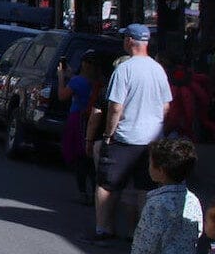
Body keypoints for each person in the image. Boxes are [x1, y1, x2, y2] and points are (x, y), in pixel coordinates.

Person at [86, 24, 174, 246]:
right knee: (145, 188)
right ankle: (139, 234)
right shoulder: (158, 69)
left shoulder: (124, 70)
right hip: (152, 140)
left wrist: (108, 134)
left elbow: (115, 107)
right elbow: (165, 106)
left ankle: (103, 229)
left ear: (128, 41)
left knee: (107, 185)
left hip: (124, 138)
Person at [130, 137, 201, 254]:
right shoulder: (193, 200)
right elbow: (197, 231)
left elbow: (145, 242)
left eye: (150, 164)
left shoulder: (156, 204)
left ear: (161, 171)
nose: (149, 167)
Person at [59, 53, 101, 204]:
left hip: (77, 117)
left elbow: (62, 96)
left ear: (84, 64)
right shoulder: (98, 82)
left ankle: (83, 192)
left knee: (78, 156)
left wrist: (61, 77)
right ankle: (94, 191)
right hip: (94, 118)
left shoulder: (77, 81)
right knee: (89, 158)